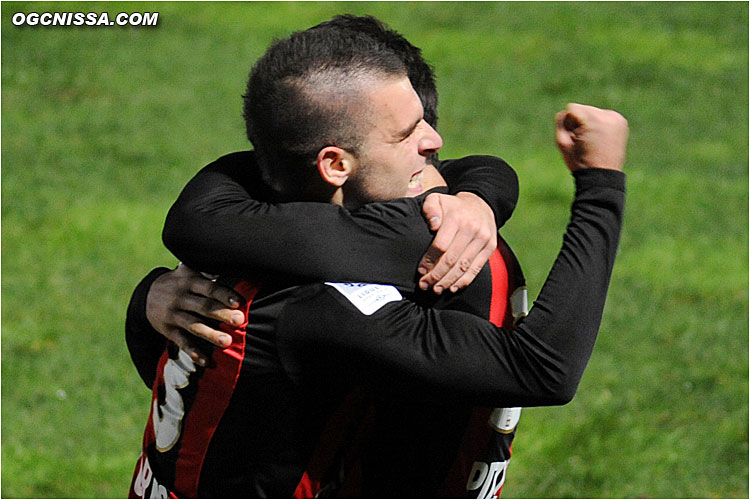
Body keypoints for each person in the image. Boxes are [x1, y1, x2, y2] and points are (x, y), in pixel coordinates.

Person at [127, 17, 628, 499]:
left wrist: (145, 298)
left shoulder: (227, 243)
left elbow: (177, 381)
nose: (434, 143)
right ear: (335, 163)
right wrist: (600, 185)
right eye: (408, 134)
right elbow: (544, 370)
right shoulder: (369, 289)